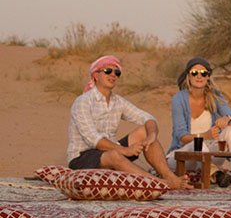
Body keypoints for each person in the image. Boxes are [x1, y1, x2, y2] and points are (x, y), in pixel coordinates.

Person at [66, 55, 190, 189]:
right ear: (96, 75)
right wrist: (125, 150)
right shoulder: (83, 102)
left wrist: (152, 135)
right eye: (108, 71)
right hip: (83, 156)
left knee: (144, 131)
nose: (113, 75)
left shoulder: (117, 101)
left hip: (111, 151)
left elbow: (148, 118)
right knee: (113, 155)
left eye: (117, 73)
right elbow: (94, 140)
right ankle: (159, 184)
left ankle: (170, 177)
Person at [166, 57, 231, 187]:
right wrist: (206, 136)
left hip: (209, 154)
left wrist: (227, 119)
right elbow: (181, 137)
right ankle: (215, 173)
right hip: (183, 155)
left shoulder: (214, 96)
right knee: (197, 143)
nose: (199, 76)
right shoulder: (179, 99)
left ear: (208, 76)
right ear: (188, 75)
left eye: (203, 73)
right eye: (195, 73)